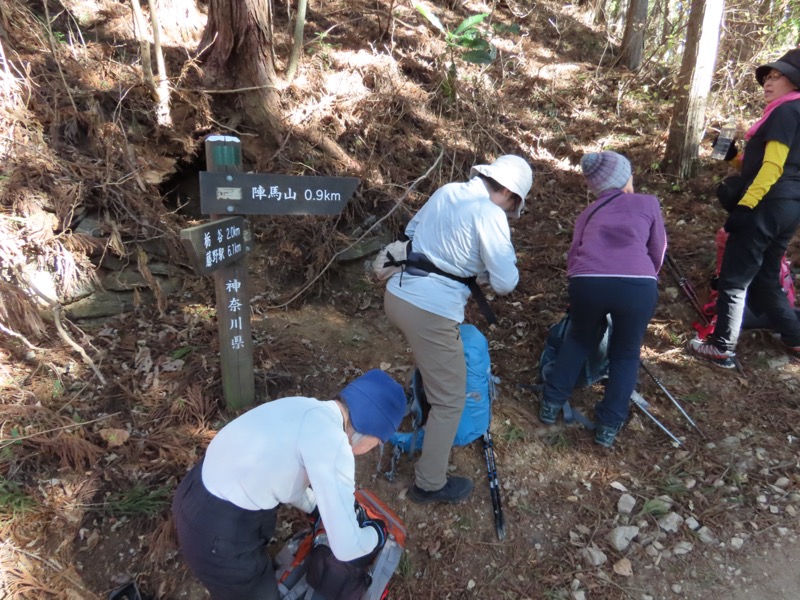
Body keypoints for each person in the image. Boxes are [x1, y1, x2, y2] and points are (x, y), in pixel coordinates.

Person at [171, 369, 406, 599]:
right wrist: (377, 532)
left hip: (193, 492)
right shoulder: (333, 444)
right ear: (370, 432)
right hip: (219, 536)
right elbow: (347, 548)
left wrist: (314, 505)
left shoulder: (303, 407)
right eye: (378, 443)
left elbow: (284, 473)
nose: (372, 449)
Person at [384, 155, 533, 503]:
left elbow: (412, 233)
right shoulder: (489, 213)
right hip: (429, 312)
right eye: (514, 204)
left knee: (435, 364)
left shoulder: (448, 191)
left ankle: (418, 400)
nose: (511, 211)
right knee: (451, 400)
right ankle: (429, 484)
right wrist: (477, 269)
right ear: (509, 193)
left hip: (398, 294)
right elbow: (506, 281)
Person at [538, 151, 667, 448]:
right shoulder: (648, 203)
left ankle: (551, 402)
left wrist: (578, 282)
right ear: (625, 178)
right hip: (637, 285)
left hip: (587, 282)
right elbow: (658, 248)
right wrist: (647, 274)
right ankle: (608, 425)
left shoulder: (589, 213)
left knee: (579, 340)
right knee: (625, 353)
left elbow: (574, 254)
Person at [688, 49, 800, 368]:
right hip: (789, 206)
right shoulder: (791, 112)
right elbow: (767, 161)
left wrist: (746, 207)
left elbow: (773, 167)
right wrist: (732, 154)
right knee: (766, 276)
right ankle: (795, 336)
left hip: (766, 205)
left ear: (794, 81)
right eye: (767, 76)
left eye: (776, 76)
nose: (768, 81)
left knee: (735, 278)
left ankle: (722, 346)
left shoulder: (785, 113)